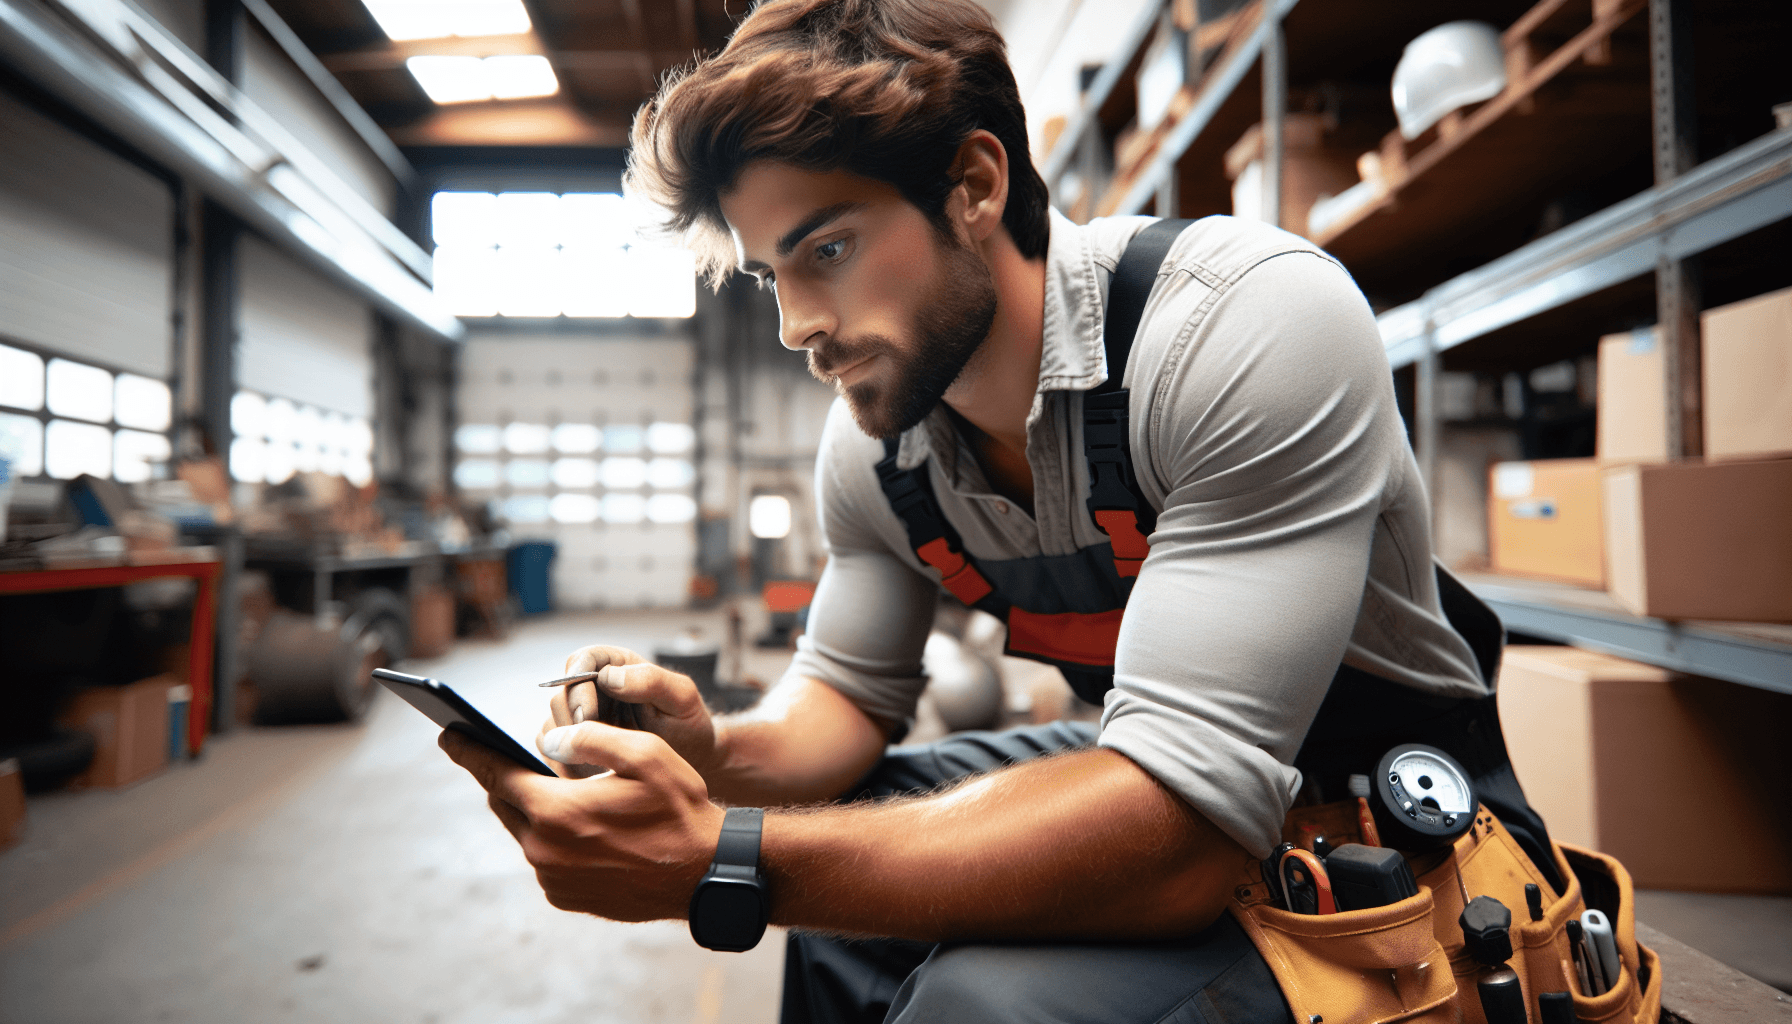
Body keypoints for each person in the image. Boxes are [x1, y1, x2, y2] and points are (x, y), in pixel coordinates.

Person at [439, 1, 1559, 1020]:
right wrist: (713, 753)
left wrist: (718, 857)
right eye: (770, 274)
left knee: (981, 1001)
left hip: (1392, 817)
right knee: (852, 868)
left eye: (827, 249)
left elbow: (1177, 839)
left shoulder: (1238, 329)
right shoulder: (879, 449)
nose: (796, 325)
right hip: (1162, 765)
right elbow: (840, 702)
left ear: (973, 186)